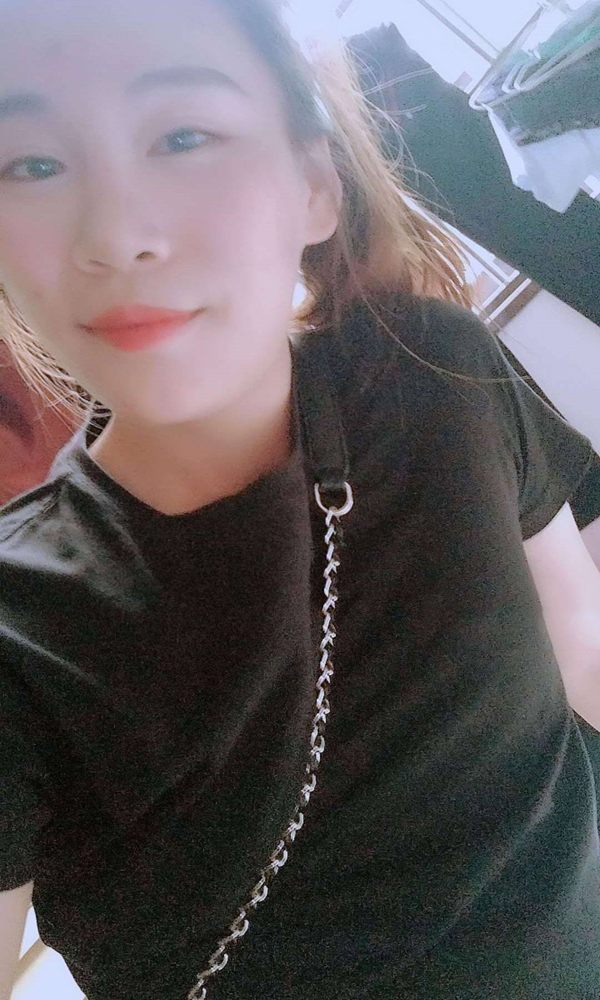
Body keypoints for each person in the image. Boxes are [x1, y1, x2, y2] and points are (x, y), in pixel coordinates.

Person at [0, 2, 599, 999]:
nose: (115, 237)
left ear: (314, 184)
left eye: (182, 136)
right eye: (31, 163)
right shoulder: (22, 634)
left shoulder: (433, 370)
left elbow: (581, 647)